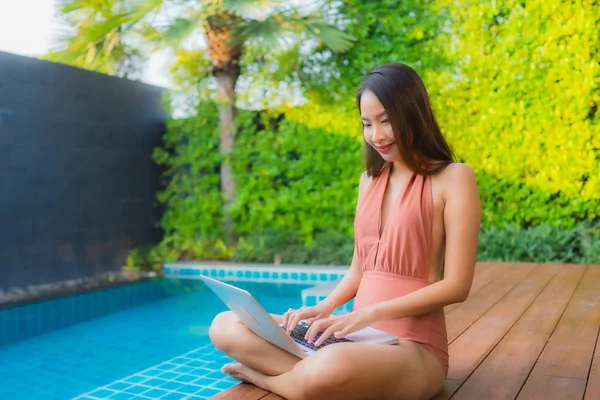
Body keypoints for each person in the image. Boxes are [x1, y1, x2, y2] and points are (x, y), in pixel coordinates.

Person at [208, 62, 481, 400]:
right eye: (367, 124)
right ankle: (306, 379)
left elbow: (457, 286)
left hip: (413, 348)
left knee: (328, 368)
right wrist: (325, 307)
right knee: (225, 326)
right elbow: (360, 269)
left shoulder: (454, 178)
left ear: (413, 114)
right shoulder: (369, 180)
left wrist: (368, 314)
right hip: (354, 338)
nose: (376, 135)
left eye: (386, 120)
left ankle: (266, 379)